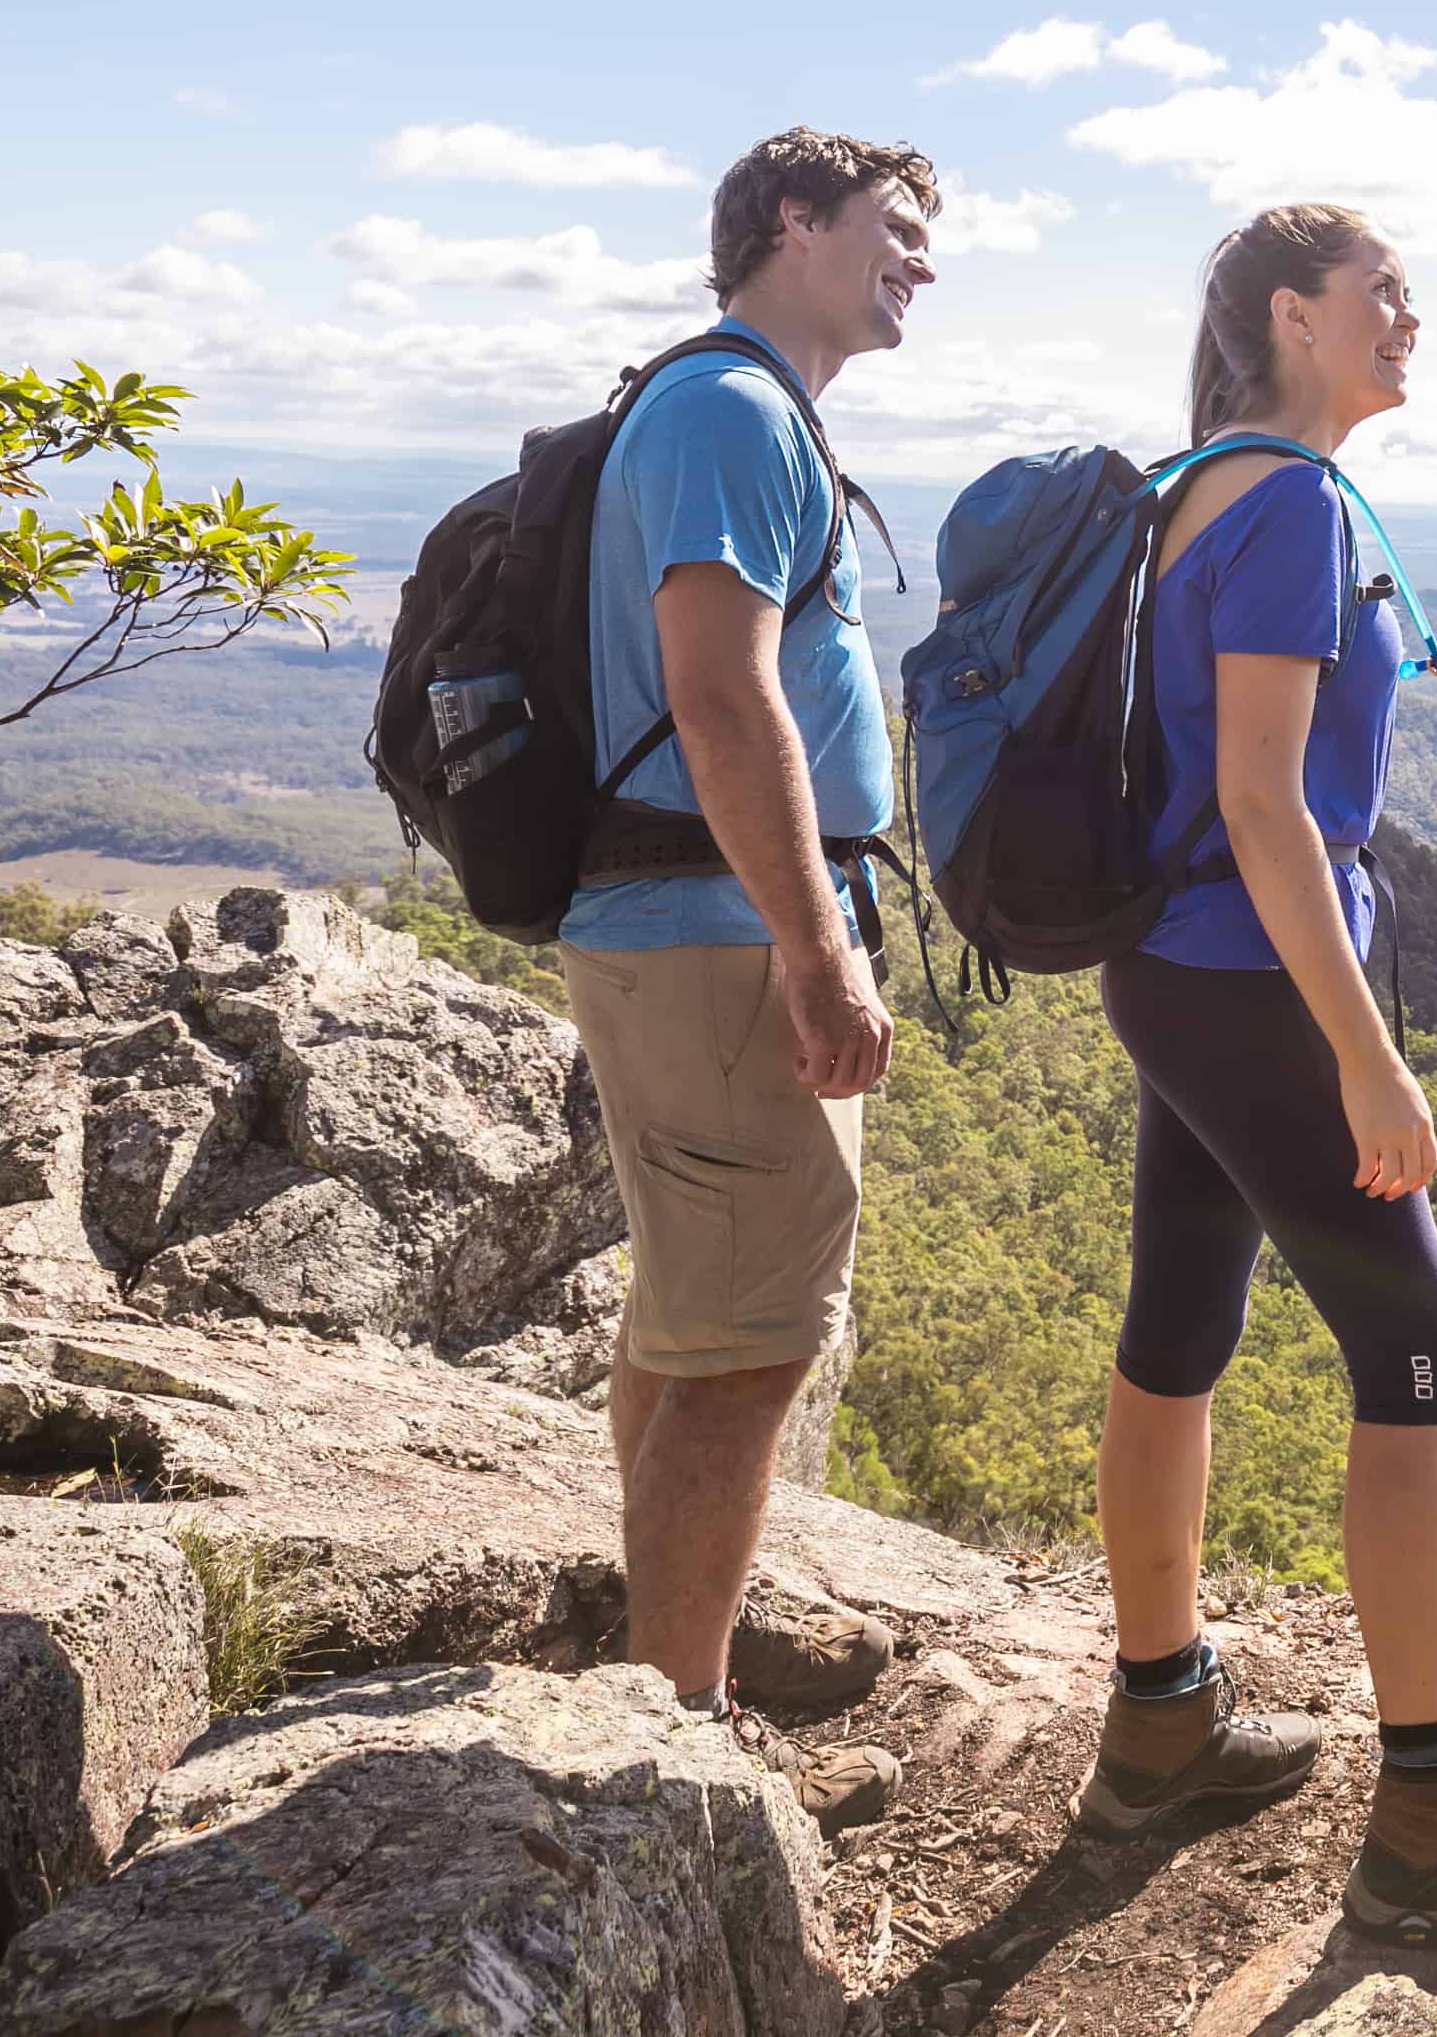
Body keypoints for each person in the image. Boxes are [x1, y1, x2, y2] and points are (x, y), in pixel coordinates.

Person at [1082, 202, 1437, 1956]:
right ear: (1287, 314)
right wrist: (1369, 1056)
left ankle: (1162, 1722)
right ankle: (1431, 1821)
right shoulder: (1299, 505)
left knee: (1179, 1324)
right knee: (1422, 1351)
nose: (1412, 318)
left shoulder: (1199, 486)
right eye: (1380, 294)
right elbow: (1265, 806)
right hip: (1252, 983)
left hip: (1174, 970)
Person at [558, 127, 933, 1816]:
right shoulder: (726, 410)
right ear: (793, 224)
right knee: (748, 1346)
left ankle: (654, 1668)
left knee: (694, 1314)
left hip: (695, 925)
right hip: (716, 931)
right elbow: (721, 700)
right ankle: (671, 1743)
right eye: (894, 227)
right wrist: (821, 948)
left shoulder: (745, 408)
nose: (919, 260)